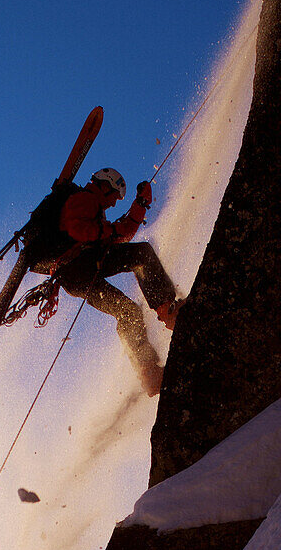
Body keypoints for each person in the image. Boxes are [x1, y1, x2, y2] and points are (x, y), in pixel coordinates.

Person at [29, 168, 184, 397]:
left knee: (128, 312)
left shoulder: (96, 210)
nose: (114, 203)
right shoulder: (84, 199)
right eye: (114, 196)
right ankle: (166, 308)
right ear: (104, 186)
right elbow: (78, 229)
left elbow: (121, 234)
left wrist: (140, 204)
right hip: (79, 265)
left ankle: (149, 373)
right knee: (141, 254)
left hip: (76, 275)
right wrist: (108, 231)